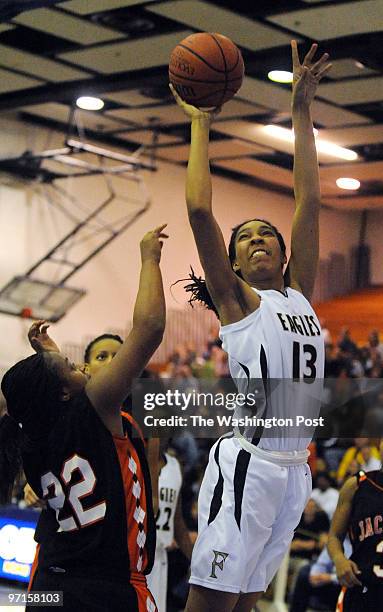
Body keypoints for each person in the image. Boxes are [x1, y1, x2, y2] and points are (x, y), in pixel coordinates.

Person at [171, 40, 331, 612]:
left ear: (285, 254)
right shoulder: (238, 304)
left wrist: (301, 111)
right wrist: (199, 123)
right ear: (232, 264)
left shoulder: (298, 294)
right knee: (210, 605)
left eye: (267, 233)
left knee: (250, 604)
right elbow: (198, 212)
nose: (259, 237)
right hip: (248, 466)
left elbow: (308, 200)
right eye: (245, 237)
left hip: (294, 475)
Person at [0, 225, 167, 612]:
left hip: (47, 588)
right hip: (106, 589)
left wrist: (51, 362)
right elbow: (151, 327)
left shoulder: (29, 434)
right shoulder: (97, 405)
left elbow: (56, 400)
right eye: (76, 363)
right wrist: (148, 259)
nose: (86, 365)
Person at [328, 439, 383, 611]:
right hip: (361, 588)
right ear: (379, 445)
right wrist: (339, 559)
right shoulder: (357, 484)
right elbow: (334, 537)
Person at [147, 442, 194, 612]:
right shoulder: (136, 458)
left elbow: (177, 520)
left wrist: (195, 561)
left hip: (160, 558)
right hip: (137, 557)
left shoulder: (175, 466)